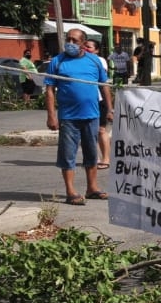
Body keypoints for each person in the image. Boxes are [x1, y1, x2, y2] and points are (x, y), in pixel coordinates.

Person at [44, 28, 113, 206]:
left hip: (92, 115)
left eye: (75, 40)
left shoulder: (94, 61)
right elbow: (50, 90)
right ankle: (70, 191)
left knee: (91, 153)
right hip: (68, 117)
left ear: (83, 43)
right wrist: (52, 115)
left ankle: (92, 189)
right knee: (68, 154)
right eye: (68, 39)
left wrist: (110, 109)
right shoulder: (58, 62)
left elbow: (104, 86)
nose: (70, 43)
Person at [84, 39, 112, 170]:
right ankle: (92, 158)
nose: (85, 48)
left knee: (101, 130)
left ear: (96, 50)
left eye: (89, 47)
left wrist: (109, 108)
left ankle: (106, 158)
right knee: (88, 131)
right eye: (84, 46)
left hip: (99, 100)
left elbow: (102, 82)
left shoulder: (100, 61)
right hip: (85, 102)